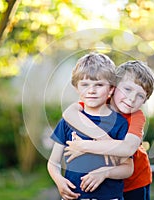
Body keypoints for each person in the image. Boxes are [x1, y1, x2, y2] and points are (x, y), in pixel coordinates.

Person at [63, 60, 154, 200]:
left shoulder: (136, 116)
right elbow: (69, 113)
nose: (131, 99)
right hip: (107, 184)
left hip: (135, 182)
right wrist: (103, 138)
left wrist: (84, 146)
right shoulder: (98, 103)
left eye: (140, 95)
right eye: (128, 89)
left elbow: (127, 149)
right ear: (113, 87)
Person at [47, 52, 134, 200]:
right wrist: (59, 181)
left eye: (99, 85)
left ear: (111, 89)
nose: (91, 90)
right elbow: (53, 162)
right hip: (75, 196)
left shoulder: (120, 123)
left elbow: (128, 167)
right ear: (77, 88)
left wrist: (105, 173)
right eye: (85, 85)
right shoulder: (68, 122)